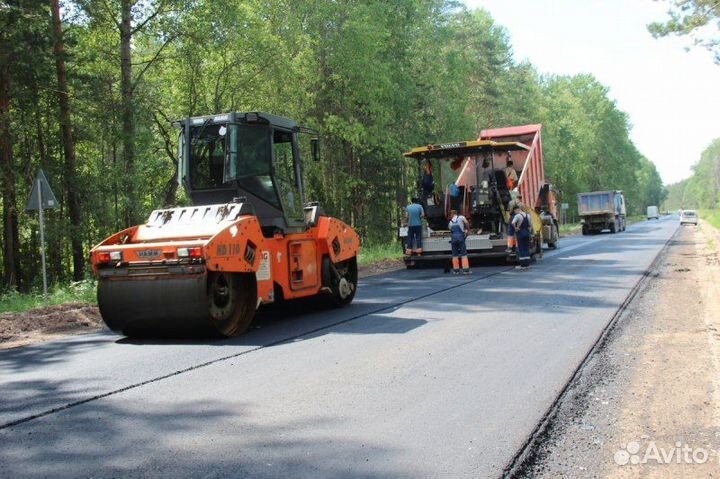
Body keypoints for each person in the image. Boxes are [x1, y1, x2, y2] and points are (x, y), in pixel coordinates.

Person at [448, 209, 471, 275]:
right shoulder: (461, 217)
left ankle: (456, 270)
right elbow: (466, 223)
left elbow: (451, 231)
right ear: (456, 213)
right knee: (463, 253)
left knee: (454, 254)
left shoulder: (450, 222)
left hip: (453, 238)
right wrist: (468, 231)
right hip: (460, 237)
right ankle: (465, 270)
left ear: (452, 214)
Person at [511, 204, 532, 269]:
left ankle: (522, 265)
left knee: (521, 248)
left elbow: (513, 223)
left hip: (520, 234)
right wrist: (529, 232)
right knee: (526, 248)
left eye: (514, 211)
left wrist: (516, 228)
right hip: (527, 233)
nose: (514, 212)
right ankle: (527, 264)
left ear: (517, 210)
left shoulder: (517, 216)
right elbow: (530, 225)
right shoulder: (528, 215)